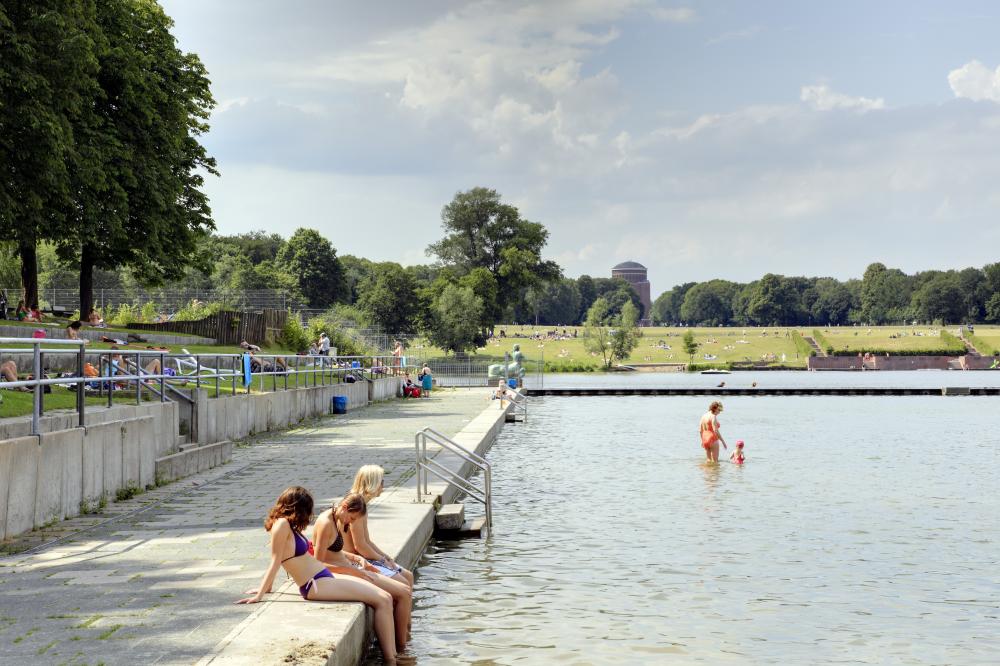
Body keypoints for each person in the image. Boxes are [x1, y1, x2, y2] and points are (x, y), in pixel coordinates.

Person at [236, 487, 398, 665]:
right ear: (297, 507)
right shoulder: (281, 525)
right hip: (315, 584)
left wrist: (267, 589)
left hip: (322, 578)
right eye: (307, 510)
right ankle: (391, 660)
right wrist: (261, 593)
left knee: (386, 597)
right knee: (383, 600)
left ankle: (394, 656)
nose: (309, 515)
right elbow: (275, 561)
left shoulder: (288, 525)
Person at [313, 493, 411, 651]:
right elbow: (318, 564)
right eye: (351, 519)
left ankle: (403, 641)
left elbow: (335, 552)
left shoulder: (335, 517)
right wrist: (352, 571)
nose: (350, 523)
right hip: (347, 572)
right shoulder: (325, 523)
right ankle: (401, 648)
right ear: (345, 507)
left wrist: (358, 560)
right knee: (403, 593)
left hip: (353, 568)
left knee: (405, 590)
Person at [345, 465, 416, 589]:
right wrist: (383, 561)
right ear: (373, 483)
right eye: (382, 482)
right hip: (354, 561)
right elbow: (360, 546)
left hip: (362, 557)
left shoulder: (362, 504)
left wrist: (386, 557)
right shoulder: (357, 506)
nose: (383, 486)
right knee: (403, 584)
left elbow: (367, 541)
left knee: (408, 576)